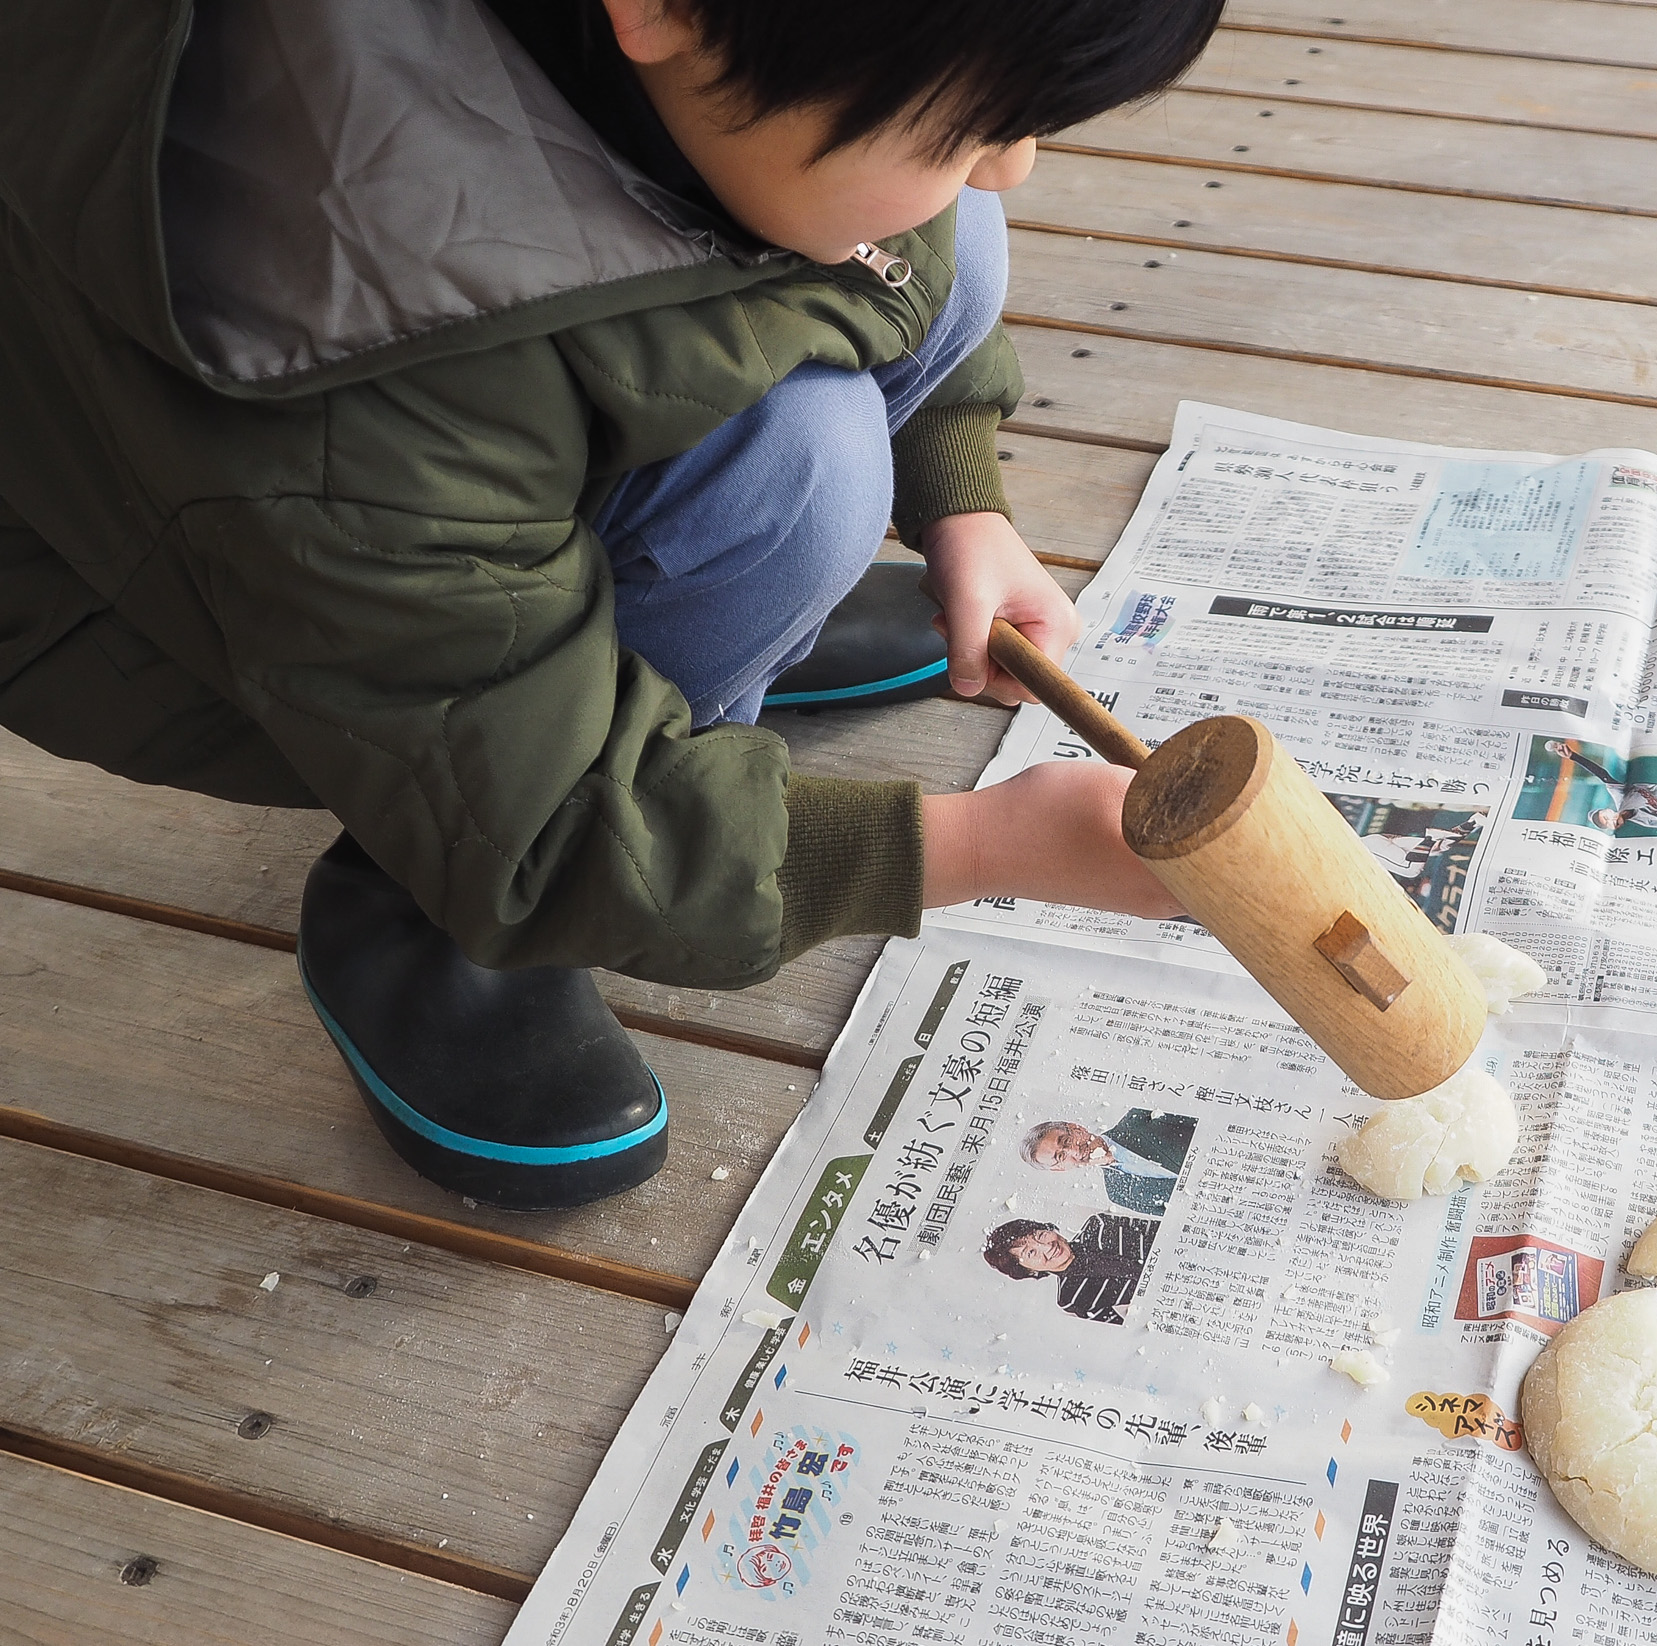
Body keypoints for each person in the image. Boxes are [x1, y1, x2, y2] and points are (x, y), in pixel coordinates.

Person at [0, 0, 1219, 1209]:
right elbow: (540, 821)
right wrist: (984, 848)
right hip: (189, 608)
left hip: (433, 494)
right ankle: (431, 887)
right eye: (970, 130)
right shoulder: (344, 320)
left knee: (934, 220)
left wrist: (960, 497)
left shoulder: (723, 64)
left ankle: (700, 633)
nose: (1016, 161)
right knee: (806, 468)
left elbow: (909, 241)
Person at [981, 1212, 1157, 1324]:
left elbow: (1164, 1229)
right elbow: (1124, 1329)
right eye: (1031, 1253)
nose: (1047, 1247)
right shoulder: (1071, 1298)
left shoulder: (1099, 1225)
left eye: (1040, 1235)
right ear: (1028, 1270)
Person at [1021, 1111, 1195, 1217]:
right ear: (1061, 1169)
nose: (1074, 1151)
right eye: (1060, 1156)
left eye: (1066, 1141)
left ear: (1076, 1128)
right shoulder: (1118, 1195)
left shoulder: (1140, 1118)